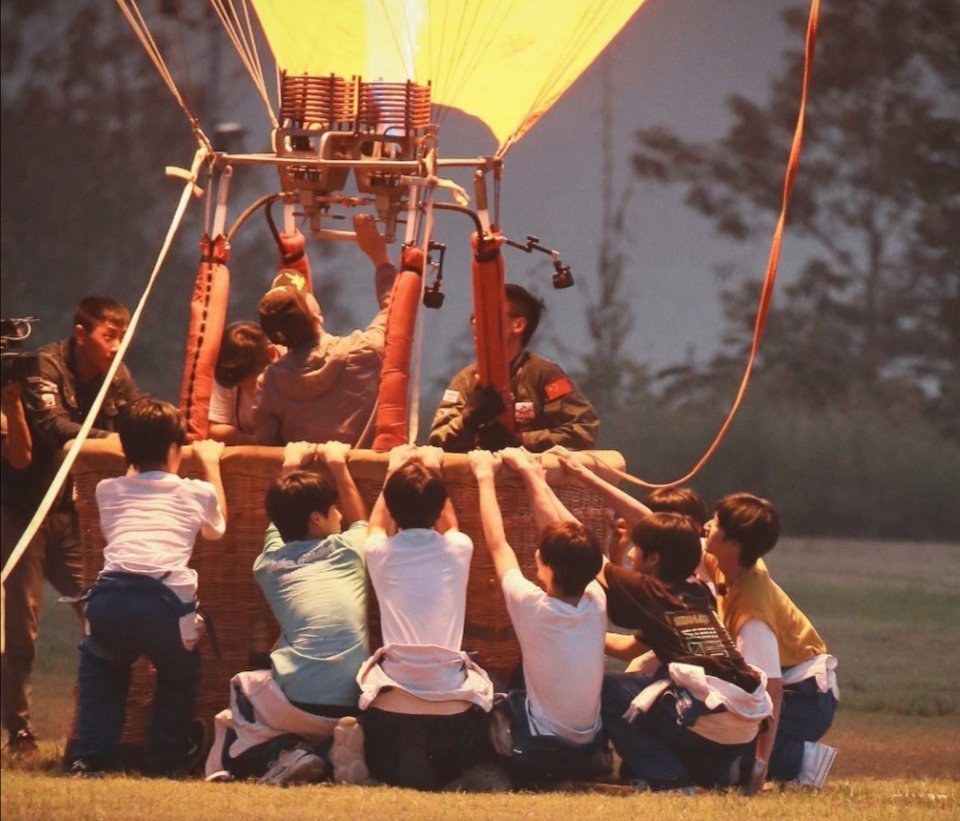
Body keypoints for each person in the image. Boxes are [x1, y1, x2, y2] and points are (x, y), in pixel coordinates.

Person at [555, 451, 772, 792]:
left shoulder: (648, 589)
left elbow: (579, 547)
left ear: (654, 558)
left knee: (609, 689)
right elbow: (646, 522)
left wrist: (535, 482)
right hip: (743, 718)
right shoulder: (698, 587)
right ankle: (718, 772)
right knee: (655, 678)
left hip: (713, 712)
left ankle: (665, 776)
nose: (630, 554)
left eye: (636, 548)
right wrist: (585, 476)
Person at [1, 296, 139, 755]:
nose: (115, 346)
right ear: (81, 334)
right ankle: (19, 731)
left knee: (102, 610)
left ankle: (106, 723)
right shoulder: (44, 366)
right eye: (108, 336)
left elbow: (136, 417)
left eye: (120, 337)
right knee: (23, 628)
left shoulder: (113, 375)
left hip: (74, 514)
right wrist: (119, 440)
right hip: (24, 512)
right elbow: (52, 427)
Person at [69, 397, 226, 776]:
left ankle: (89, 758)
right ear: (175, 449)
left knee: (102, 674)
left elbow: (117, 526)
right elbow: (216, 530)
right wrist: (210, 464)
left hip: (110, 600)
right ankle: (164, 762)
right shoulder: (195, 492)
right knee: (177, 677)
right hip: (165, 607)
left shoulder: (108, 490)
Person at [205, 439, 372, 786]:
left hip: (295, 702)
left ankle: (284, 753)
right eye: (333, 508)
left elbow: (276, 523)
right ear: (317, 518)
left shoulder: (267, 566)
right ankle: (328, 749)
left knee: (243, 689)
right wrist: (338, 465)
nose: (340, 514)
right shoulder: (348, 550)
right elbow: (361, 519)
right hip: (354, 701)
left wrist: (289, 464)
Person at [357, 445, 495, 790]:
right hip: (452, 710)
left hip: (390, 705)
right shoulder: (459, 548)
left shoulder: (377, 551)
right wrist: (435, 467)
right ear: (437, 507)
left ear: (391, 505)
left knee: (400, 750)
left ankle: (374, 763)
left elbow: (375, 522)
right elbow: (450, 524)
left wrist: (393, 465)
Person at [469, 447, 608, 788]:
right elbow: (567, 535)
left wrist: (484, 476)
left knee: (483, 686)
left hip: (538, 750)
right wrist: (533, 475)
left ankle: (499, 773)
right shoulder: (598, 600)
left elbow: (498, 544)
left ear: (545, 566)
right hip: (589, 746)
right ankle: (577, 773)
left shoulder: (533, 606)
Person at [702, 493, 839, 792]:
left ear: (733, 544)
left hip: (804, 696)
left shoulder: (753, 616)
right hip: (793, 689)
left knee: (721, 747)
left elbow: (771, 691)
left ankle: (801, 759)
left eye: (715, 523)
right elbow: (658, 530)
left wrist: (760, 763)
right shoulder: (730, 561)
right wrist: (588, 478)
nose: (706, 526)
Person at [254, 214, 397, 447]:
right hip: (363, 481)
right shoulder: (364, 351)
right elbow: (396, 309)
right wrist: (379, 256)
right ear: (316, 319)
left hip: (301, 482)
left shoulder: (269, 383)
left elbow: (266, 448)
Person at [429, 283, 598, 453]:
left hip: (531, 477)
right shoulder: (466, 380)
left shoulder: (542, 375)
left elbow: (583, 430)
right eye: (474, 316)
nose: (475, 322)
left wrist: (520, 441)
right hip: (477, 476)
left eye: (487, 314)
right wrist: (470, 419)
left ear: (518, 325)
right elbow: (437, 440)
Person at [208, 321, 280, 444]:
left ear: (272, 354)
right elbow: (215, 428)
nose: (252, 393)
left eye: (254, 383)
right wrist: (253, 441)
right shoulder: (227, 372)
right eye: (242, 387)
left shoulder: (292, 367)